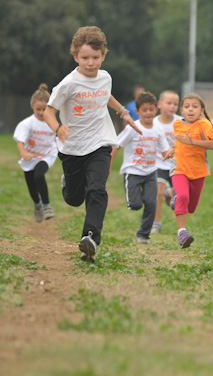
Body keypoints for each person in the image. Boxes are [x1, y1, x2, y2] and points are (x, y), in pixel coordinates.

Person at [43, 26, 141, 262]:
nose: (90, 63)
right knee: (74, 198)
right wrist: (58, 128)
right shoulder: (68, 84)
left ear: (103, 56)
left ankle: (90, 238)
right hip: (72, 147)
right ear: (76, 56)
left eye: (95, 58)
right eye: (85, 58)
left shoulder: (105, 77)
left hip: (101, 142)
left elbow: (105, 93)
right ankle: (68, 184)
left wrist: (122, 112)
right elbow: (49, 111)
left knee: (97, 189)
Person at [111, 91, 170, 244]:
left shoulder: (158, 129)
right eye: (144, 110)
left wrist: (178, 149)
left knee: (152, 203)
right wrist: (108, 164)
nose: (148, 113)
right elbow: (117, 144)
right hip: (133, 172)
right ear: (137, 112)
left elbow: (165, 152)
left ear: (156, 109)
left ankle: (143, 235)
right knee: (135, 205)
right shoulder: (132, 127)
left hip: (151, 172)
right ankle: (135, 197)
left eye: (151, 109)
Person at [171, 93, 213, 249]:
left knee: (191, 208)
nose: (190, 110)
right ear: (182, 110)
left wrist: (192, 141)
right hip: (179, 168)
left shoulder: (204, 125)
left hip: (198, 171)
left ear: (201, 110)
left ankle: (173, 196)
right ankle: (182, 233)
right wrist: (172, 150)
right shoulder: (177, 124)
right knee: (183, 196)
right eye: (186, 107)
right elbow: (180, 145)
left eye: (195, 106)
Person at [13, 83, 58, 222]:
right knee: (32, 189)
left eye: (44, 109)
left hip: (47, 155)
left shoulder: (53, 123)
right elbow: (20, 141)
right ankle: (37, 205)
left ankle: (47, 206)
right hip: (30, 158)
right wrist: (24, 154)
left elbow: (60, 136)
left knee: (39, 176)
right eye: (38, 109)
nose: (40, 112)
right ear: (32, 106)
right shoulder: (27, 123)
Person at [151, 90, 181, 234]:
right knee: (158, 192)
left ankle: (171, 194)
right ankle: (156, 223)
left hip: (177, 164)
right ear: (159, 104)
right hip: (158, 163)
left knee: (180, 194)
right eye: (169, 103)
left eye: (175, 104)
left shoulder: (181, 122)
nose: (172, 106)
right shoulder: (153, 123)